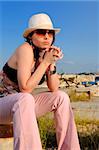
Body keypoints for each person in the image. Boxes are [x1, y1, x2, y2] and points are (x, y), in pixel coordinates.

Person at [0, 13, 80, 150]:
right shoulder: (25, 49)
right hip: (4, 105)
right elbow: (25, 88)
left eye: (50, 33)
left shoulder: (44, 54)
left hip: (22, 107)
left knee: (61, 97)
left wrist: (52, 63)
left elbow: (54, 88)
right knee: (25, 98)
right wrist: (45, 63)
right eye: (41, 32)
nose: (47, 36)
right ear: (30, 35)